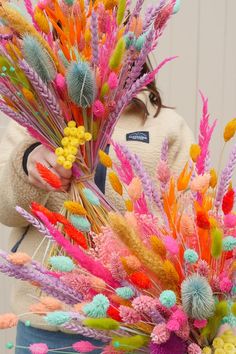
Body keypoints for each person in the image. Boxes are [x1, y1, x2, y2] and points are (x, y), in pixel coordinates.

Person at [0, 61, 194, 353]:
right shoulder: (33, 118)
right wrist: (27, 163)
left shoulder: (164, 125)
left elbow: (189, 229)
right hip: (48, 332)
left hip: (136, 333)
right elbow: (5, 210)